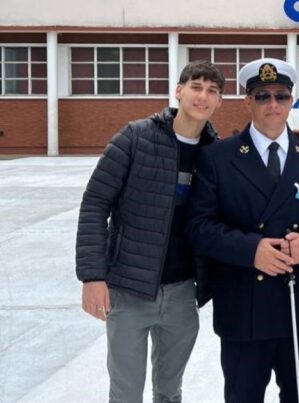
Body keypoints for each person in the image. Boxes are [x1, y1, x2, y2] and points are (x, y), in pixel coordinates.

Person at [185, 58, 299, 403]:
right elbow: (198, 227)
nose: (272, 104)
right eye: (262, 96)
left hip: (298, 304)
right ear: (247, 101)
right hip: (244, 306)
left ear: (291, 101)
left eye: (281, 96)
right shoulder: (218, 157)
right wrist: (250, 250)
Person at [75, 60, 225, 403]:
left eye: (212, 91)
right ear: (179, 91)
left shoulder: (215, 154)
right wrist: (92, 276)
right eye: (196, 87)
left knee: (169, 392)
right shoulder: (136, 137)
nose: (203, 96)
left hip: (182, 292)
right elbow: (95, 203)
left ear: (219, 101)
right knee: (126, 393)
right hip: (129, 289)